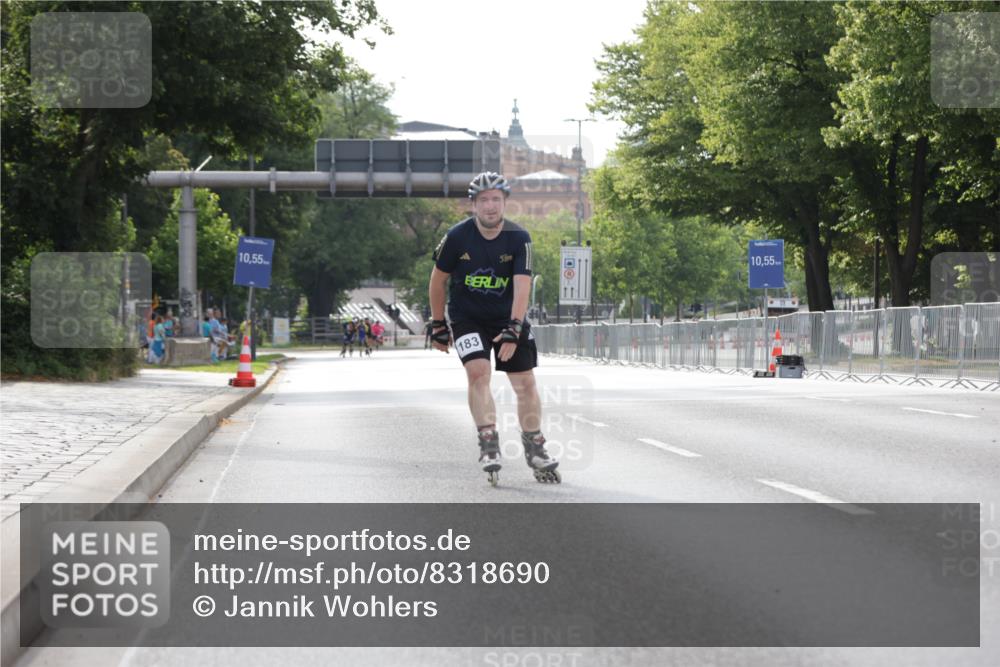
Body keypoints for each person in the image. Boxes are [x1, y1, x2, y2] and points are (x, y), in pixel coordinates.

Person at [427, 171, 559, 483]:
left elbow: (522, 285)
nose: (490, 206)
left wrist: (514, 327)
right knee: (478, 373)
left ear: (504, 203)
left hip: (506, 316)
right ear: (473, 205)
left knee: (524, 383)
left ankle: (535, 446)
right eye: (483, 200)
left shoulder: (519, 238)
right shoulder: (457, 237)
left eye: (496, 200)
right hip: (467, 318)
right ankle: (488, 442)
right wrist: (437, 323)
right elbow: (437, 280)